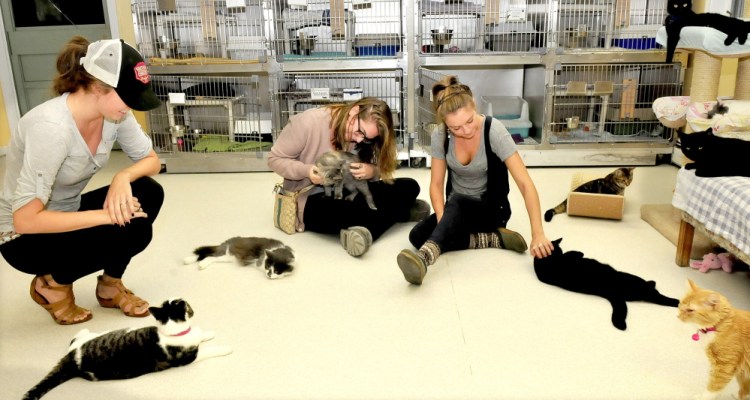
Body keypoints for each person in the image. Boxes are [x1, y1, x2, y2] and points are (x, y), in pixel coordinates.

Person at [0, 36, 164, 324]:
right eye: (127, 97)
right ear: (98, 87)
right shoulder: (52, 129)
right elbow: (26, 221)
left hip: (65, 211)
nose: (131, 106)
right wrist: (105, 216)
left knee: (148, 192)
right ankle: (51, 285)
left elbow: (151, 161)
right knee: (134, 228)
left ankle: (110, 287)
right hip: (22, 237)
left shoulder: (115, 114)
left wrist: (122, 177)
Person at [396, 76, 553, 285]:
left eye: (469, 121)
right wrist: (444, 222)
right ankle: (491, 239)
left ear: (475, 107)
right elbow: (435, 185)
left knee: (455, 203)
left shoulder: (494, 130)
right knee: (417, 235)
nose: (466, 130)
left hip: (489, 210)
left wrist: (538, 233)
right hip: (454, 211)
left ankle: (426, 257)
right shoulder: (440, 135)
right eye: (456, 128)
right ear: (445, 124)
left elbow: (525, 184)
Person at [268, 97, 429, 257]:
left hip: (347, 192)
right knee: (358, 210)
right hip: (309, 198)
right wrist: (307, 171)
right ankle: (398, 213)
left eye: (367, 138)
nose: (359, 140)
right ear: (354, 111)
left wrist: (371, 171)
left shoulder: (365, 135)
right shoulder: (307, 122)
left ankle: (374, 223)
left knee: (410, 185)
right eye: (360, 132)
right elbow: (274, 160)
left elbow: (379, 173)